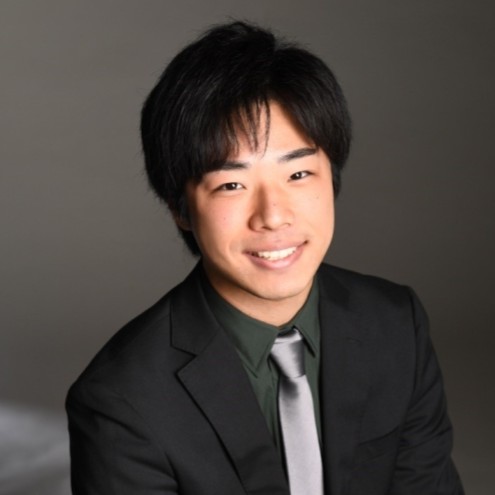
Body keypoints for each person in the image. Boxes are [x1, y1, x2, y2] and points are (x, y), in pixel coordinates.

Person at [66, 21, 464, 495]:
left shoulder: (396, 325)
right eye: (232, 184)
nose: (273, 216)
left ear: (332, 178)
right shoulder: (121, 400)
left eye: (298, 175)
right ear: (180, 208)